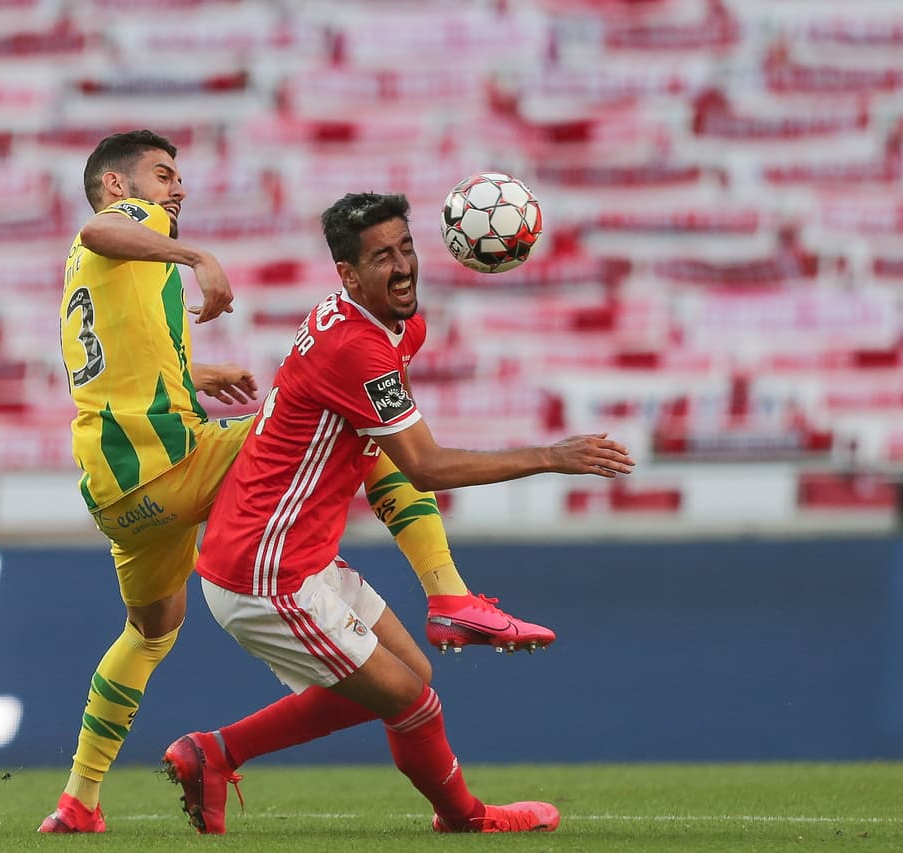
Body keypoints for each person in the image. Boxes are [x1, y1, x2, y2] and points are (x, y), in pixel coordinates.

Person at [42, 131, 556, 833]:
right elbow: (101, 227)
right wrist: (197, 254)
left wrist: (195, 376)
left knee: (150, 632)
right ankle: (449, 593)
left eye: (178, 179)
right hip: (174, 466)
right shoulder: (130, 222)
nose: (177, 189)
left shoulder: (93, 280)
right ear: (117, 186)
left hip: (116, 494)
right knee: (353, 425)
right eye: (163, 176)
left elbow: (115, 370)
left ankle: (79, 799)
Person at [162, 192, 635, 835]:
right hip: (264, 573)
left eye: (406, 248)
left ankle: (212, 754)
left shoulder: (391, 326)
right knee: (411, 701)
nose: (403, 265)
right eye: (382, 256)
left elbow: (382, 450)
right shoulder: (356, 347)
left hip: (296, 554)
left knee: (409, 678)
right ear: (349, 275)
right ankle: (466, 818)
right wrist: (552, 455)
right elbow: (424, 467)